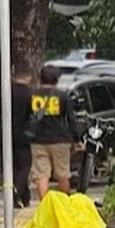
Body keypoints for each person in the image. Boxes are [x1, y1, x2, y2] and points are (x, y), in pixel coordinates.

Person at [30, 64, 81, 199]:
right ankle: (64, 204)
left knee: (41, 175)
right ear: (57, 79)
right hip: (60, 139)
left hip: (38, 139)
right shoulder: (63, 96)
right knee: (63, 174)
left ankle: (45, 206)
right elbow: (70, 119)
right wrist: (76, 139)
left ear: (41, 78)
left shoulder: (33, 96)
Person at [11, 68, 35, 209]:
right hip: (24, 136)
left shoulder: (7, 92)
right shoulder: (30, 95)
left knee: (15, 166)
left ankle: (25, 197)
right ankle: (16, 191)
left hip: (8, 136)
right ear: (29, 77)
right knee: (24, 166)